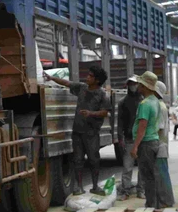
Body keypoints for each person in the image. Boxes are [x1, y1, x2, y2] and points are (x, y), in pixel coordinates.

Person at [44, 67, 111, 196]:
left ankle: (95, 186)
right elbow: (67, 83)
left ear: (97, 80)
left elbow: (105, 112)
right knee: (78, 160)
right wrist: (51, 78)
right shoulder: (82, 88)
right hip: (78, 132)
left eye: (90, 76)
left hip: (91, 133)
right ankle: (79, 186)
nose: (87, 77)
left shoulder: (102, 94)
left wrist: (91, 113)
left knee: (94, 160)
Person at [130, 71, 162, 207]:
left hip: (146, 144)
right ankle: (154, 202)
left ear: (144, 86)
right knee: (152, 175)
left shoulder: (145, 104)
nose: (137, 87)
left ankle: (151, 204)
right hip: (154, 141)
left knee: (147, 176)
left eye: (139, 84)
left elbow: (142, 126)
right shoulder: (156, 102)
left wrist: (135, 146)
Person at [116, 76, 142, 201]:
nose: (133, 86)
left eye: (135, 84)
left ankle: (141, 190)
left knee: (142, 166)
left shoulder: (143, 101)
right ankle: (125, 191)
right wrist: (119, 137)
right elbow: (120, 121)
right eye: (131, 84)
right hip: (129, 138)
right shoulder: (123, 102)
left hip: (143, 138)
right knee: (127, 167)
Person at [155, 81, 175, 208]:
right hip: (161, 144)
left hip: (158, 145)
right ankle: (165, 200)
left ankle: (166, 201)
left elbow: (159, 128)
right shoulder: (161, 105)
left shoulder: (159, 106)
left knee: (161, 175)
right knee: (161, 174)